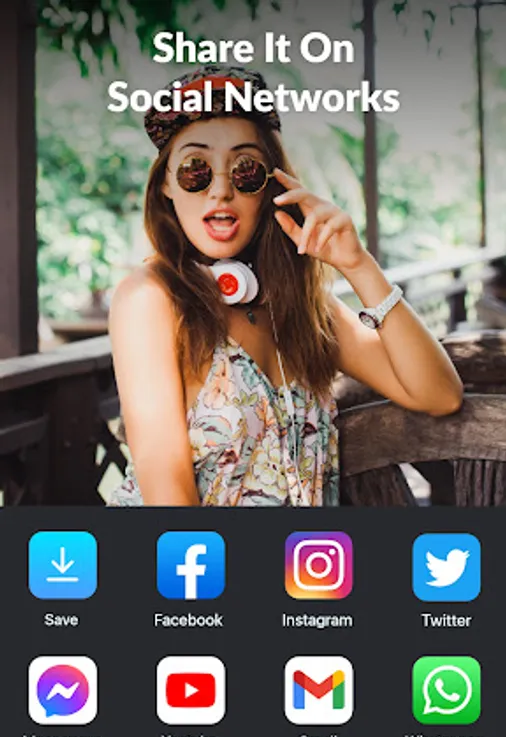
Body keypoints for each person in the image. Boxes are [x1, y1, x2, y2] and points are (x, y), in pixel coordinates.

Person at [108, 64, 463, 507]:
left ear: (271, 186)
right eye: (196, 169)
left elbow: (439, 395)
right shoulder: (148, 300)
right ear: (165, 183)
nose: (220, 191)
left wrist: (359, 266)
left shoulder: (300, 305)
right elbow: (170, 500)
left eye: (245, 170)